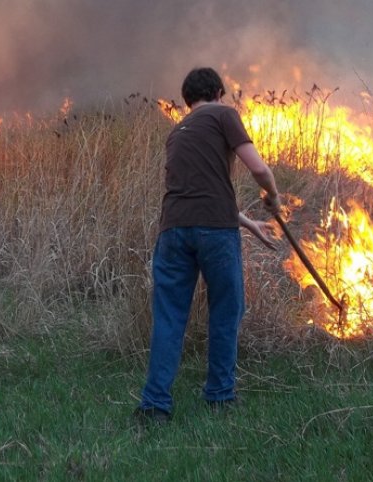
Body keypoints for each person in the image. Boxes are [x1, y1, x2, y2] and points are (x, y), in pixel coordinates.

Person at [135, 67, 281, 423]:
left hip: (173, 231)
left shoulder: (177, 132)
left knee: (169, 317)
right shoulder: (223, 114)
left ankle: (154, 405)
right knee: (226, 311)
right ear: (218, 92)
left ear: (188, 100)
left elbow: (197, 190)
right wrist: (273, 196)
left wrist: (247, 224)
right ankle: (219, 395)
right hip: (214, 232)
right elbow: (258, 169)